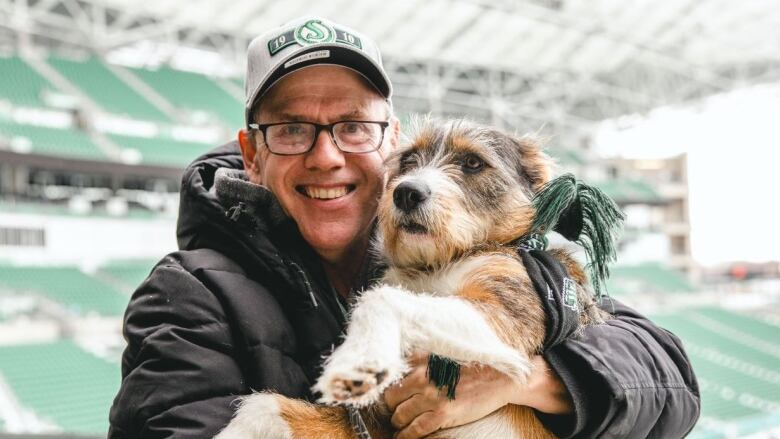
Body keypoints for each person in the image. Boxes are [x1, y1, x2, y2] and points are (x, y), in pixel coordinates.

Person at [109, 16, 700, 439]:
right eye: (291, 129)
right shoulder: (186, 296)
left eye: (353, 126)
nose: (326, 157)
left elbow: (671, 383)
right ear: (251, 154)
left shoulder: (491, 255)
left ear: (388, 143)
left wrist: (528, 382)